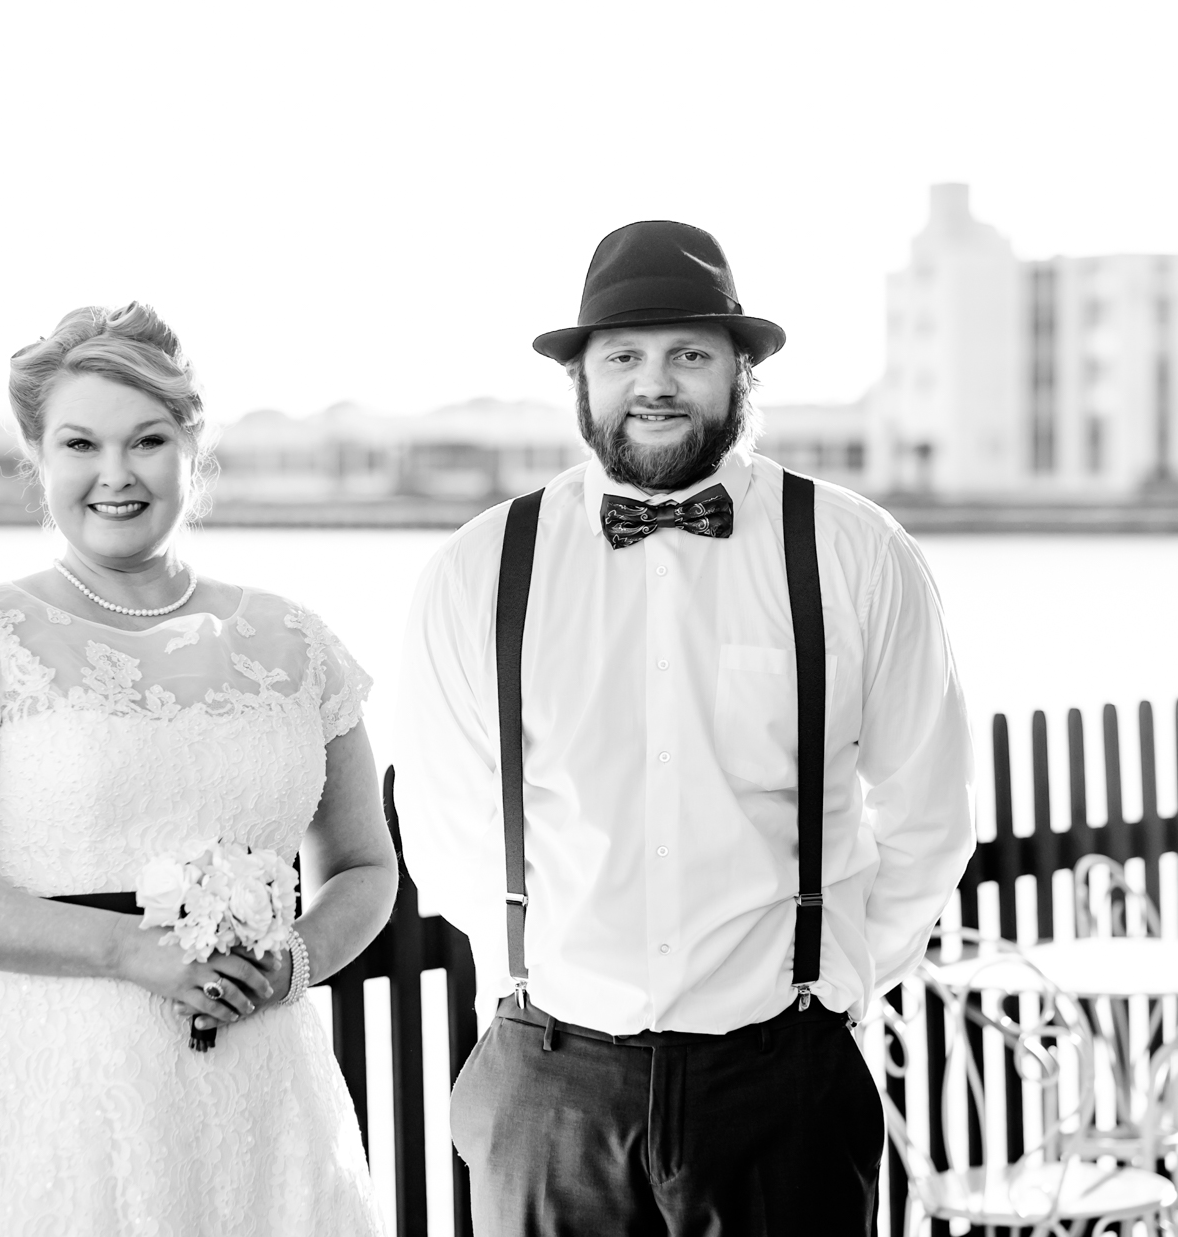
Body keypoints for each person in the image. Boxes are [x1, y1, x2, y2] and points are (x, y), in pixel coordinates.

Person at [395, 221, 976, 1234]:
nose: (653, 383)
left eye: (688, 355)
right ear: (580, 380)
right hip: (552, 1084)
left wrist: (834, 989)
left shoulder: (853, 552)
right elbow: (444, 826)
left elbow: (929, 808)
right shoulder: (478, 569)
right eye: (622, 356)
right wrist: (547, 987)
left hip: (781, 1077)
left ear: (739, 373)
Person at [0, 302, 392, 1234]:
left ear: (193, 445)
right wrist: (126, 950)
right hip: (55, 1084)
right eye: (80, 443)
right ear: (38, 456)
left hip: (263, 1089)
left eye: (147, 440)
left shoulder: (294, 641)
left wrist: (296, 959)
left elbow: (364, 865)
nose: (115, 475)